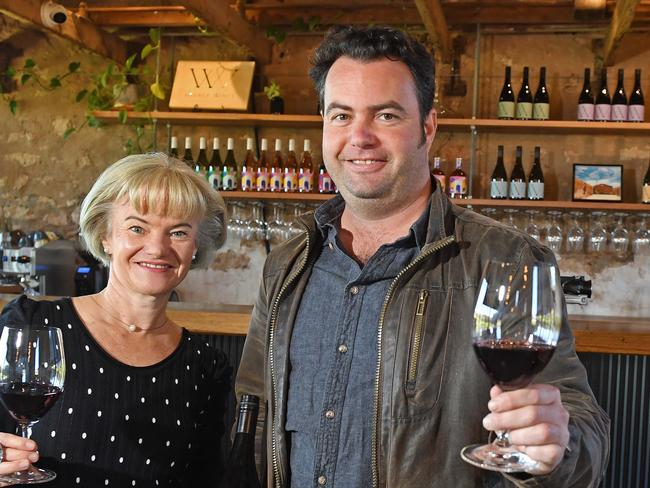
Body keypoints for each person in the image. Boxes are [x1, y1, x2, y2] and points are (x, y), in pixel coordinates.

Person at [235, 25, 609, 487]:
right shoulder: (288, 264)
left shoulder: (507, 257)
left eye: (386, 115)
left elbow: (583, 426)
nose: (360, 137)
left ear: (427, 126)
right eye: (341, 116)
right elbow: (251, 412)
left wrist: (558, 445)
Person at [0, 153, 230, 487]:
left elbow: (206, 479)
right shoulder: (34, 324)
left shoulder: (206, 365)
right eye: (137, 228)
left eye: (178, 233)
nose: (157, 248)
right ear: (105, 235)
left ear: (197, 246)